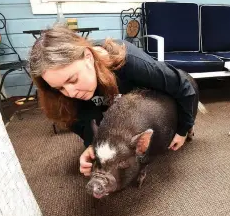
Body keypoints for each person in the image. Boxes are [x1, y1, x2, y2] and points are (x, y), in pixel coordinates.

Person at [28, 24, 197, 177]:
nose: (70, 92)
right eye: (60, 88)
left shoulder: (131, 62)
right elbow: (81, 118)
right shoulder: (67, 94)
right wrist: (92, 144)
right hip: (115, 104)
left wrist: (183, 128)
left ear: (88, 57)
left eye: (72, 80)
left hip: (153, 101)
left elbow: (182, 86)